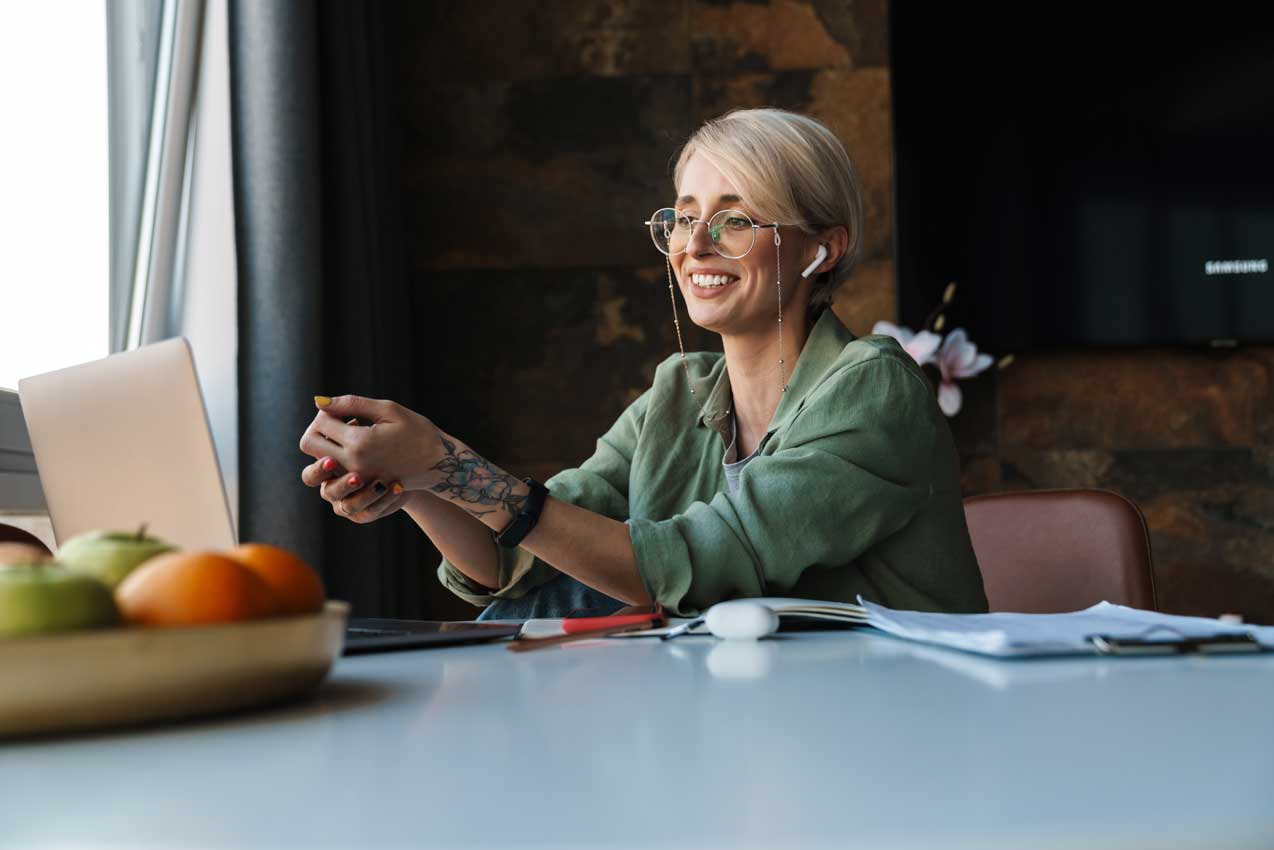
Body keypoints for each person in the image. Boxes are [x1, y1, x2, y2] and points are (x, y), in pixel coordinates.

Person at [298, 108, 988, 619]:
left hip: (893, 734)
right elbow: (517, 552)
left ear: (821, 250)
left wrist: (446, 461)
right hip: (752, 726)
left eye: (736, 219)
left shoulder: (873, 388)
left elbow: (699, 561)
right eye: (685, 218)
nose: (697, 246)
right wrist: (416, 483)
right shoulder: (678, 394)